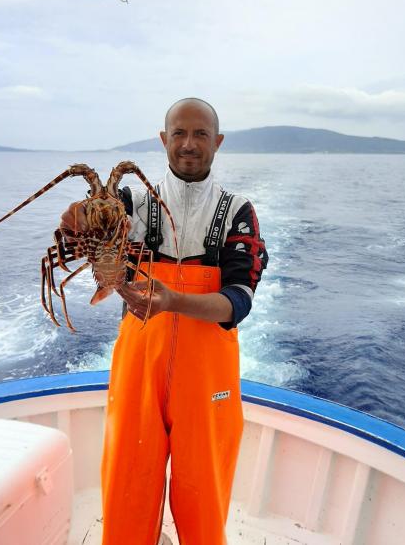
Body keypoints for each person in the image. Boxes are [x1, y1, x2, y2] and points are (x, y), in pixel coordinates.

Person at [101, 98, 268, 544]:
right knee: (126, 490)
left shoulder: (238, 212)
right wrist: (93, 243)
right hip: (139, 364)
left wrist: (172, 301)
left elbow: (239, 301)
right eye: (178, 133)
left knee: (203, 497)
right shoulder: (128, 202)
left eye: (199, 134)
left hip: (207, 377)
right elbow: (100, 258)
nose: (188, 144)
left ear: (217, 142)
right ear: (163, 139)